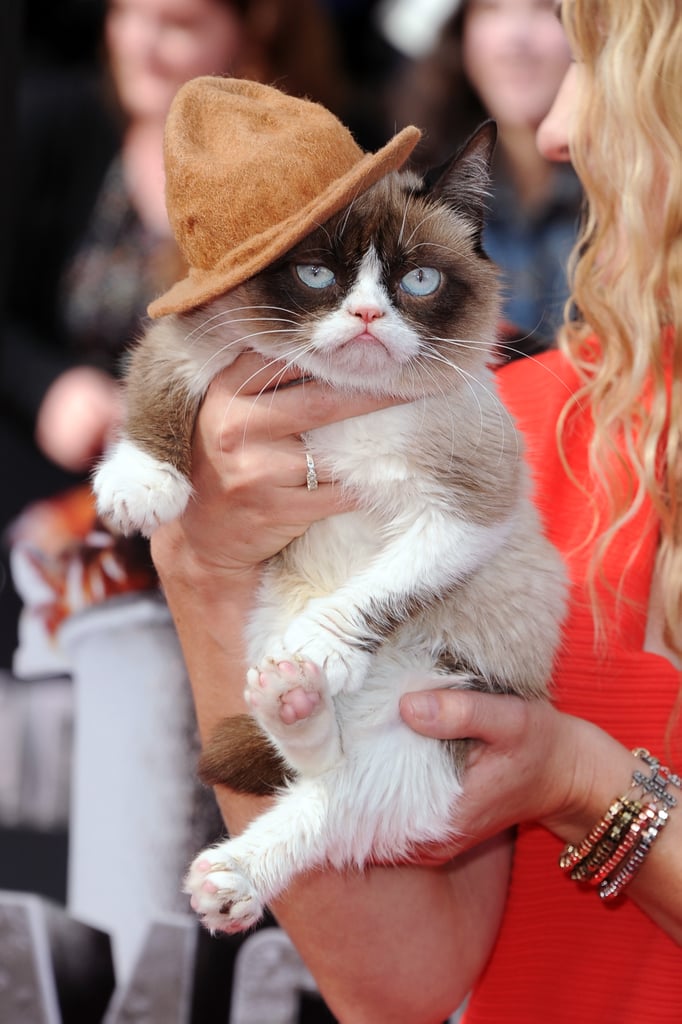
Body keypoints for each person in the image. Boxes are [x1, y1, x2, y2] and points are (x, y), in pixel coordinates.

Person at [150, 0, 682, 1020]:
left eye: (601, 63)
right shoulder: (510, 436)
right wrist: (209, 566)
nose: (557, 127)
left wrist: (581, 783)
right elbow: (394, 980)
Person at [0, 0, 349, 667]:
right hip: (63, 471)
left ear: (252, 32)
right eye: (126, 14)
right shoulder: (58, 128)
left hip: (230, 481)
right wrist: (46, 385)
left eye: (179, 25)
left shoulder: (310, 161)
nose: (142, 44)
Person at [385, 0, 583, 346]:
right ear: (459, 33)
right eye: (491, 8)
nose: (515, 40)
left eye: (545, 8)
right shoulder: (409, 185)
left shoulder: (644, 195)